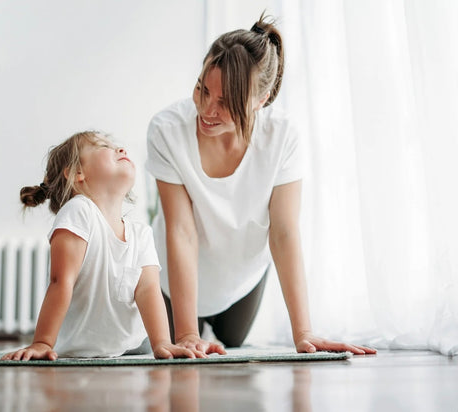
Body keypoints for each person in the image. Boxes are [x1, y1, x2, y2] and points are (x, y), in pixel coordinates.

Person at [146, 14, 376, 357]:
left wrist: (304, 333)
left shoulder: (282, 137)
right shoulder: (167, 129)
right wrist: (187, 332)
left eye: (225, 102)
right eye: (202, 89)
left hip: (241, 281)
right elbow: (181, 230)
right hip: (169, 281)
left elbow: (283, 232)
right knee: (159, 349)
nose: (206, 109)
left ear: (262, 98)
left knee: (234, 348)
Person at [2, 131, 195, 360]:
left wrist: (162, 342)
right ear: (77, 173)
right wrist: (42, 342)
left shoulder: (141, 232)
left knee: (145, 343)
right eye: (105, 146)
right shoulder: (78, 211)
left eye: (118, 146)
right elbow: (60, 281)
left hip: (132, 346)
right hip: (80, 348)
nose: (120, 149)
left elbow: (149, 290)